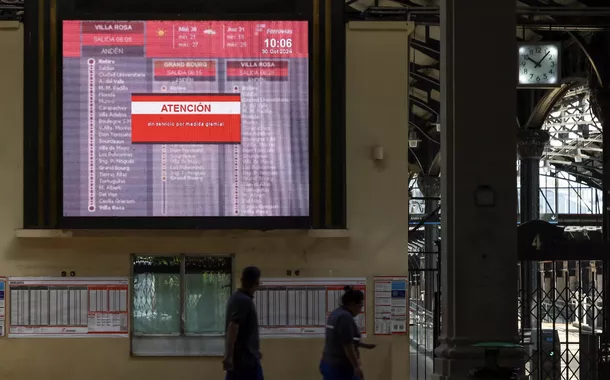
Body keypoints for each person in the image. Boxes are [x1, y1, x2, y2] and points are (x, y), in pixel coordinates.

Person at [320, 286, 374, 380]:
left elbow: (341, 338)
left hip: (327, 362)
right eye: (360, 306)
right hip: (339, 367)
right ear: (352, 303)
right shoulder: (345, 317)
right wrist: (356, 367)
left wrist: (363, 345)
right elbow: (347, 345)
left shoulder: (335, 313)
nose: (360, 310)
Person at [223, 266, 263, 380]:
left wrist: (255, 349)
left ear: (241, 280)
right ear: (256, 282)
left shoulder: (235, 298)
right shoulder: (244, 301)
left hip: (242, 359)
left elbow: (242, 331)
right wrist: (229, 356)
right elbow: (233, 327)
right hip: (245, 363)